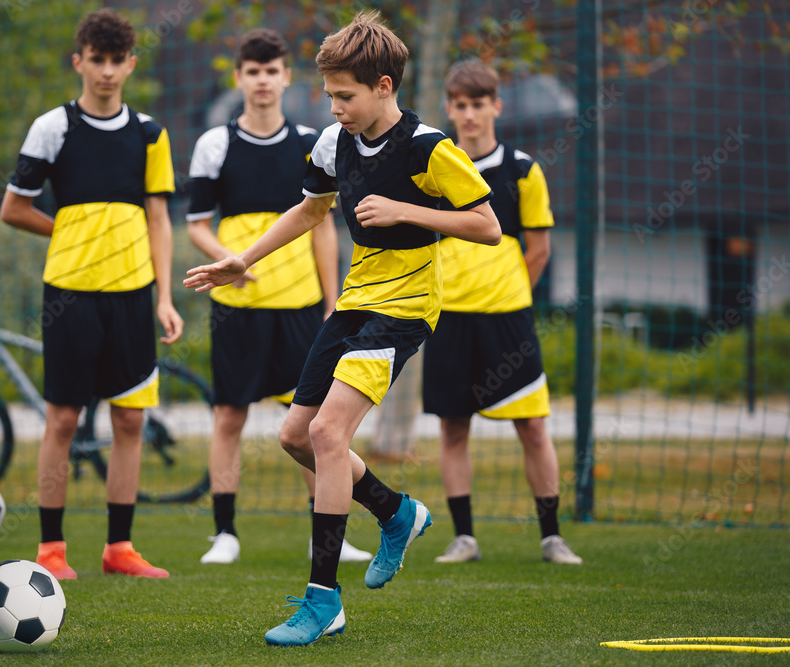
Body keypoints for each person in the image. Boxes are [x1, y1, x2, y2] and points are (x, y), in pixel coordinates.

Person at [185, 11, 500, 646]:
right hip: (357, 299)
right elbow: (310, 209)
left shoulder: (429, 147)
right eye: (329, 94)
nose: (334, 106)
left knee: (328, 433)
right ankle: (396, 511)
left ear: (385, 86)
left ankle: (323, 600)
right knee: (296, 436)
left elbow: (487, 224)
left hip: (407, 304)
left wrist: (407, 209)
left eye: (345, 95)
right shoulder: (333, 142)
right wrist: (242, 258)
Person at [0, 8, 183, 580]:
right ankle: (51, 551)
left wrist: (164, 297)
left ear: (130, 64)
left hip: (134, 296)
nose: (106, 72)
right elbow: (14, 209)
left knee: (130, 421)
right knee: (62, 419)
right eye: (95, 60)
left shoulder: (151, 133)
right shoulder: (51, 127)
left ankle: (118, 549)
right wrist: (72, 231)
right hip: (71, 295)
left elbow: (159, 218)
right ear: (79, 61)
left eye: (116, 61)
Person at [187, 28, 371, 565]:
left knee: (313, 424)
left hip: (300, 308)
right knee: (228, 416)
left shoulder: (314, 142)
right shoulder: (215, 143)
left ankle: (326, 533)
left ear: (287, 77)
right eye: (253, 71)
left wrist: (331, 297)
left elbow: (319, 226)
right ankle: (225, 532)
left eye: (273, 71)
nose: (263, 80)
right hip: (237, 308)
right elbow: (197, 224)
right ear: (240, 77)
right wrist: (229, 260)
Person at [423, 61, 582, 565]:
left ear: (497, 106)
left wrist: (509, 291)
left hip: (509, 320)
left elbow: (539, 250)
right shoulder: (434, 169)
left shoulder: (523, 170)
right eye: (460, 105)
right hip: (447, 318)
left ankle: (551, 536)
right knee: (453, 428)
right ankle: (464, 537)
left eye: (478, 104)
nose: (469, 115)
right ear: (449, 108)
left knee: (533, 427)